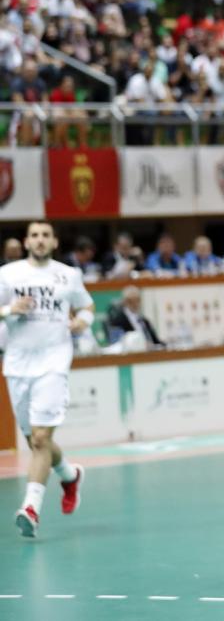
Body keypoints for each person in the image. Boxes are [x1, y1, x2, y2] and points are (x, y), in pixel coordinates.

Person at [0, 221, 93, 537]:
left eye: (46, 236)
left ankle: (31, 508)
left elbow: (87, 306)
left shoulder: (68, 274)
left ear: (54, 242)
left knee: (40, 438)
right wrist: (10, 308)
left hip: (53, 363)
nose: (40, 240)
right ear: (27, 242)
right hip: (17, 364)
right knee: (35, 440)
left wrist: (82, 321)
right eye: (35, 235)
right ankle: (69, 474)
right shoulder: (8, 275)